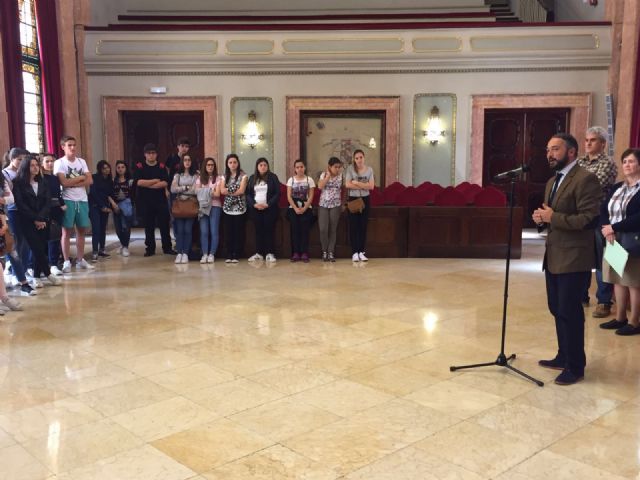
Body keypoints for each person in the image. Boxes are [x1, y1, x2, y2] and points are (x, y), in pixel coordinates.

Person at [532, 133, 601, 385]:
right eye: (548, 149)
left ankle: (576, 366)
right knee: (556, 309)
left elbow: (589, 219)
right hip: (554, 256)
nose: (550, 154)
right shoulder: (553, 181)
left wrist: (553, 218)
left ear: (571, 152)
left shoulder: (586, 179)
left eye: (555, 149)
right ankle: (563, 356)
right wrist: (541, 219)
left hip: (574, 258)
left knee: (570, 312)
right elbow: (552, 216)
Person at [577, 126, 618, 317]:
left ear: (602, 143)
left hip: (600, 216)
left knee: (604, 260)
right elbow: (571, 184)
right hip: (580, 216)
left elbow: (594, 186)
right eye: (586, 140)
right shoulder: (580, 161)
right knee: (582, 258)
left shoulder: (608, 162)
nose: (588, 143)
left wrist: (575, 189)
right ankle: (581, 296)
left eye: (592, 140)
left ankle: (604, 301)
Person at [599, 148, 640, 336]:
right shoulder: (617, 187)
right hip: (613, 238)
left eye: (631, 161)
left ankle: (635, 321)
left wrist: (614, 228)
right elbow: (603, 210)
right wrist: (606, 229)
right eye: (624, 162)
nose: (627, 165)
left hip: (632, 240)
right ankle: (620, 317)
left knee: (632, 281)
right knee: (618, 279)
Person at [12, 155, 62, 286]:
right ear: (25, 167)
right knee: (36, 248)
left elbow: (47, 201)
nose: (35, 168)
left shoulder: (42, 181)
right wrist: (35, 219)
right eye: (32, 165)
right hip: (27, 221)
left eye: (36, 165)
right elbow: (21, 204)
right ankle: (48, 273)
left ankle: (36, 276)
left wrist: (41, 218)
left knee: (41, 247)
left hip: (43, 219)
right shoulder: (18, 183)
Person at [54, 135, 95, 272]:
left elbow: (90, 181)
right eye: (69, 145)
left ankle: (80, 259)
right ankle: (66, 261)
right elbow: (63, 183)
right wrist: (81, 177)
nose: (72, 147)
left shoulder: (81, 161)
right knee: (66, 231)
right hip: (68, 200)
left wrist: (76, 181)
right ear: (63, 147)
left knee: (82, 230)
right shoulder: (59, 162)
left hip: (82, 199)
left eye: (74, 145)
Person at [2, 148, 37, 295]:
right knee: (14, 247)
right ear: (12, 159)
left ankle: (22, 278)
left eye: (24, 160)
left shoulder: (6, 176)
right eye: (20, 159)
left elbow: (10, 197)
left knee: (19, 245)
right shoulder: (6, 173)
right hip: (11, 212)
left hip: (12, 213)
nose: (22, 163)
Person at [133, 143, 175, 257]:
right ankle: (150, 249)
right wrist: (155, 180)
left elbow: (165, 183)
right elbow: (138, 182)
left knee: (164, 225)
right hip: (146, 201)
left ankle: (167, 247)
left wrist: (148, 184)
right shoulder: (139, 167)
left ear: (156, 154)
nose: (151, 155)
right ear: (145, 155)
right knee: (149, 226)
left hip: (160, 201)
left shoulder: (161, 167)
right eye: (149, 153)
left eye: (153, 153)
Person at [246, 158, 280, 263]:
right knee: (258, 231)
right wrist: (254, 204)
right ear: (257, 167)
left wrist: (268, 204)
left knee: (269, 230)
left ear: (268, 166)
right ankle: (259, 253)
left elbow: (277, 193)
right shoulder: (252, 178)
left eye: (265, 165)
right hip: (256, 209)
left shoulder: (273, 177)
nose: (263, 167)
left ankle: (270, 253)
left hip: (269, 209)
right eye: (260, 165)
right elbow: (248, 194)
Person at [345, 149, 374, 262]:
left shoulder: (369, 170)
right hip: (354, 199)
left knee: (363, 226)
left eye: (361, 157)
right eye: (356, 158)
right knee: (353, 226)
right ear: (354, 159)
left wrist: (357, 183)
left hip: (365, 199)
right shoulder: (350, 169)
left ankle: (361, 252)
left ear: (364, 157)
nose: (359, 160)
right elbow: (347, 184)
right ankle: (354, 252)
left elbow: (371, 187)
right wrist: (363, 185)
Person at [170, 154, 198, 263]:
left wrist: (180, 189)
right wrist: (186, 187)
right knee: (180, 230)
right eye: (185, 160)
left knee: (188, 230)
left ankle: (185, 253)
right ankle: (179, 253)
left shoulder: (195, 175)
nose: (187, 162)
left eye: (189, 160)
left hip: (190, 204)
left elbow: (195, 190)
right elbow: (172, 189)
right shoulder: (177, 175)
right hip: (179, 205)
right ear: (182, 162)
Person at [286, 159, 315, 263]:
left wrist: (304, 208)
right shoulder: (291, 180)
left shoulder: (309, 180)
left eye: (301, 167)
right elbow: (288, 196)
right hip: (293, 208)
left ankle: (304, 253)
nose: (300, 169)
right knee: (295, 231)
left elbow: (311, 196)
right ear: (295, 169)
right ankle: (295, 253)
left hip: (306, 208)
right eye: (297, 167)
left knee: (304, 231)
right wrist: (295, 208)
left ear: (304, 168)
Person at [220, 154, 247, 263]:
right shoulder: (224, 176)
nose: (232, 164)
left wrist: (229, 190)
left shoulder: (243, 175)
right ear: (227, 164)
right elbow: (222, 191)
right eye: (230, 162)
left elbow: (242, 191)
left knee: (238, 232)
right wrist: (235, 188)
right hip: (227, 208)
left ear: (238, 163)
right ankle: (229, 253)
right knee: (228, 232)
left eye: (234, 162)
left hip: (240, 207)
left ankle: (236, 254)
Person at [41, 153, 65, 275]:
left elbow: (58, 194)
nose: (50, 164)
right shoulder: (39, 179)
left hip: (56, 211)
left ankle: (54, 264)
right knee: (45, 239)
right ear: (42, 163)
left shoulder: (55, 178)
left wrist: (62, 203)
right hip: (45, 211)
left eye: (52, 161)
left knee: (55, 237)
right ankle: (44, 264)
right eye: (47, 161)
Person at [195, 157, 222, 263]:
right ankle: (205, 254)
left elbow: (217, 194)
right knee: (204, 232)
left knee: (214, 231)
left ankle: (212, 254)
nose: (210, 167)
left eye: (212, 165)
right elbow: (196, 192)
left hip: (215, 206)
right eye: (208, 165)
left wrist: (204, 190)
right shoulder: (199, 178)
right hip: (203, 207)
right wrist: (211, 190)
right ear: (204, 166)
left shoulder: (219, 178)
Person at [88, 160, 116, 262]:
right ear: (100, 169)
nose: (107, 170)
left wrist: (108, 206)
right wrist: (102, 206)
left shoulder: (109, 180)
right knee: (96, 229)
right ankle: (95, 251)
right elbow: (94, 193)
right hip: (94, 206)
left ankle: (102, 249)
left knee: (103, 229)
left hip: (105, 207)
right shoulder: (94, 177)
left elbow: (110, 194)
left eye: (108, 167)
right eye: (104, 168)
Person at [317, 157, 344, 262]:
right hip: (323, 204)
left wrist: (343, 203)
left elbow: (345, 190)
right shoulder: (323, 175)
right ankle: (324, 251)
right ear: (329, 166)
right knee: (323, 229)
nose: (337, 169)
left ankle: (331, 252)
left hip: (336, 205)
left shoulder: (341, 176)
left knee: (333, 229)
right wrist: (327, 177)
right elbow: (319, 186)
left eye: (339, 167)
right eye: (335, 167)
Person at [111, 160, 134, 257]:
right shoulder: (113, 181)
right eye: (118, 167)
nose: (120, 169)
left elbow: (133, 194)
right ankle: (123, 244)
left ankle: (125, 246)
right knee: (118, 228)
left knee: (126, 227)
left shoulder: (130, 181)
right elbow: (110, 194)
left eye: (122, 167)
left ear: (126, 168)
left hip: (127, 206)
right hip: (116, 206)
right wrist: (113, 204)